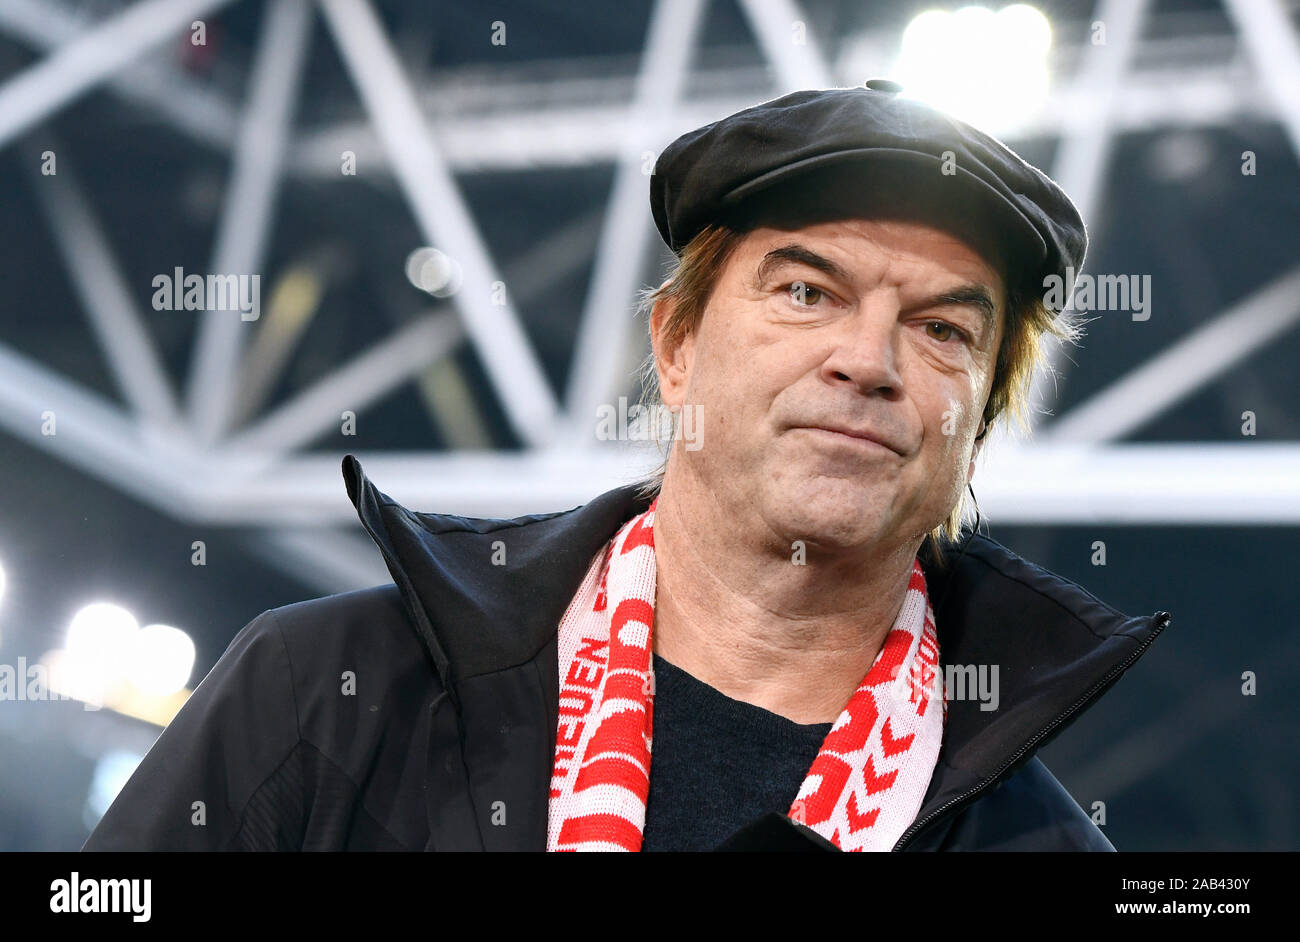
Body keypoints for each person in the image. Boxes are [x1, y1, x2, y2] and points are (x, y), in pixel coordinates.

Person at [83, 81, 1171, 852]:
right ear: (677, 346)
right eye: (806, 292)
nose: (867, 360)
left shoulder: (1041, 847)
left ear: (977, 420)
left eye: (942, 330)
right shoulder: (327, 693)